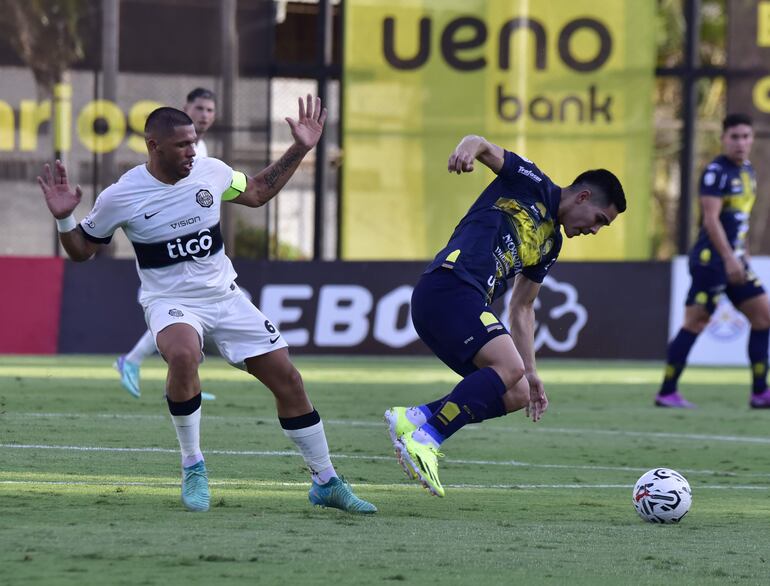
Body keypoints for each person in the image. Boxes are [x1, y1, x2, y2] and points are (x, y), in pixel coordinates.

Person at [38, 95, 377, 514]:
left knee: (288, 379)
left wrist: (301, 147)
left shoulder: (211, 172)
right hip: (171, 302)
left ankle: (325, 480)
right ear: (153, 145)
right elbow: (82, 250)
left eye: (194, 142)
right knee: (183, 355)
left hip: (226, 296)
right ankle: (193, 465)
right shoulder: (121, 196)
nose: (191, 152)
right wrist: (64, 220)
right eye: (182, 145)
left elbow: (255, 193)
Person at [384, 135, 626, 498]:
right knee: (508, 370)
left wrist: (531, 370)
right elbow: (481, 144)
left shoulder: (551, 244)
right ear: (583, 197)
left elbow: (522, 307)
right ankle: (426, 440)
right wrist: (467, 150)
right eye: (599, 220)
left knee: (517, 391)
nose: (593, 230)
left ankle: (414, 418)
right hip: (450, 285)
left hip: (462, 302)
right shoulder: (531, 181)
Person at [655, 113, 770, 409]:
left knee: (763, 317)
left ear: (752, 139)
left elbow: (739, 221)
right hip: (711, 261)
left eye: (746, 136)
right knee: (696, 322)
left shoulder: (748, 172)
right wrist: (730, 258)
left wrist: (741, 254)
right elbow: (711, 219)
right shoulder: (716, 172)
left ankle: (760, 392)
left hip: (735, 259)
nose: (741, 142)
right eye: (735, 137)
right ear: (723, 139)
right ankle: (667, 391)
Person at [114, 88, 219, 400]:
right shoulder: (166, 146)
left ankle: (183, 383)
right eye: (199, 108)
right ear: (186, 108)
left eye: (211, 110)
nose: (205, 115)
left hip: (199, 249)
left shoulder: (205, 150)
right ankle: (136, 363)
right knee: (179, 314)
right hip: (169, 250)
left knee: (186, 318)